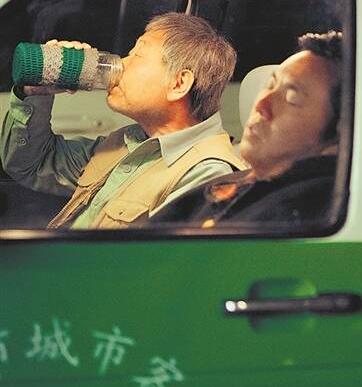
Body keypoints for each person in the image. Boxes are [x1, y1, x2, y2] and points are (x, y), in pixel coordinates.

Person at [0, 12, 246, 229]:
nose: (121, 64)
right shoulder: (129, 143)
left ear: (178, 84)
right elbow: (32, 165)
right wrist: (36, 92)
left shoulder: (207, 175)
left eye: (137, 55)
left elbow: (155, 263)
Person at [152, 30, 342, 227]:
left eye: (291, 99)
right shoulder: (231, 183)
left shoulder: (304, 213)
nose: (261, 104)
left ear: (337, 135)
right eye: (270, 85)